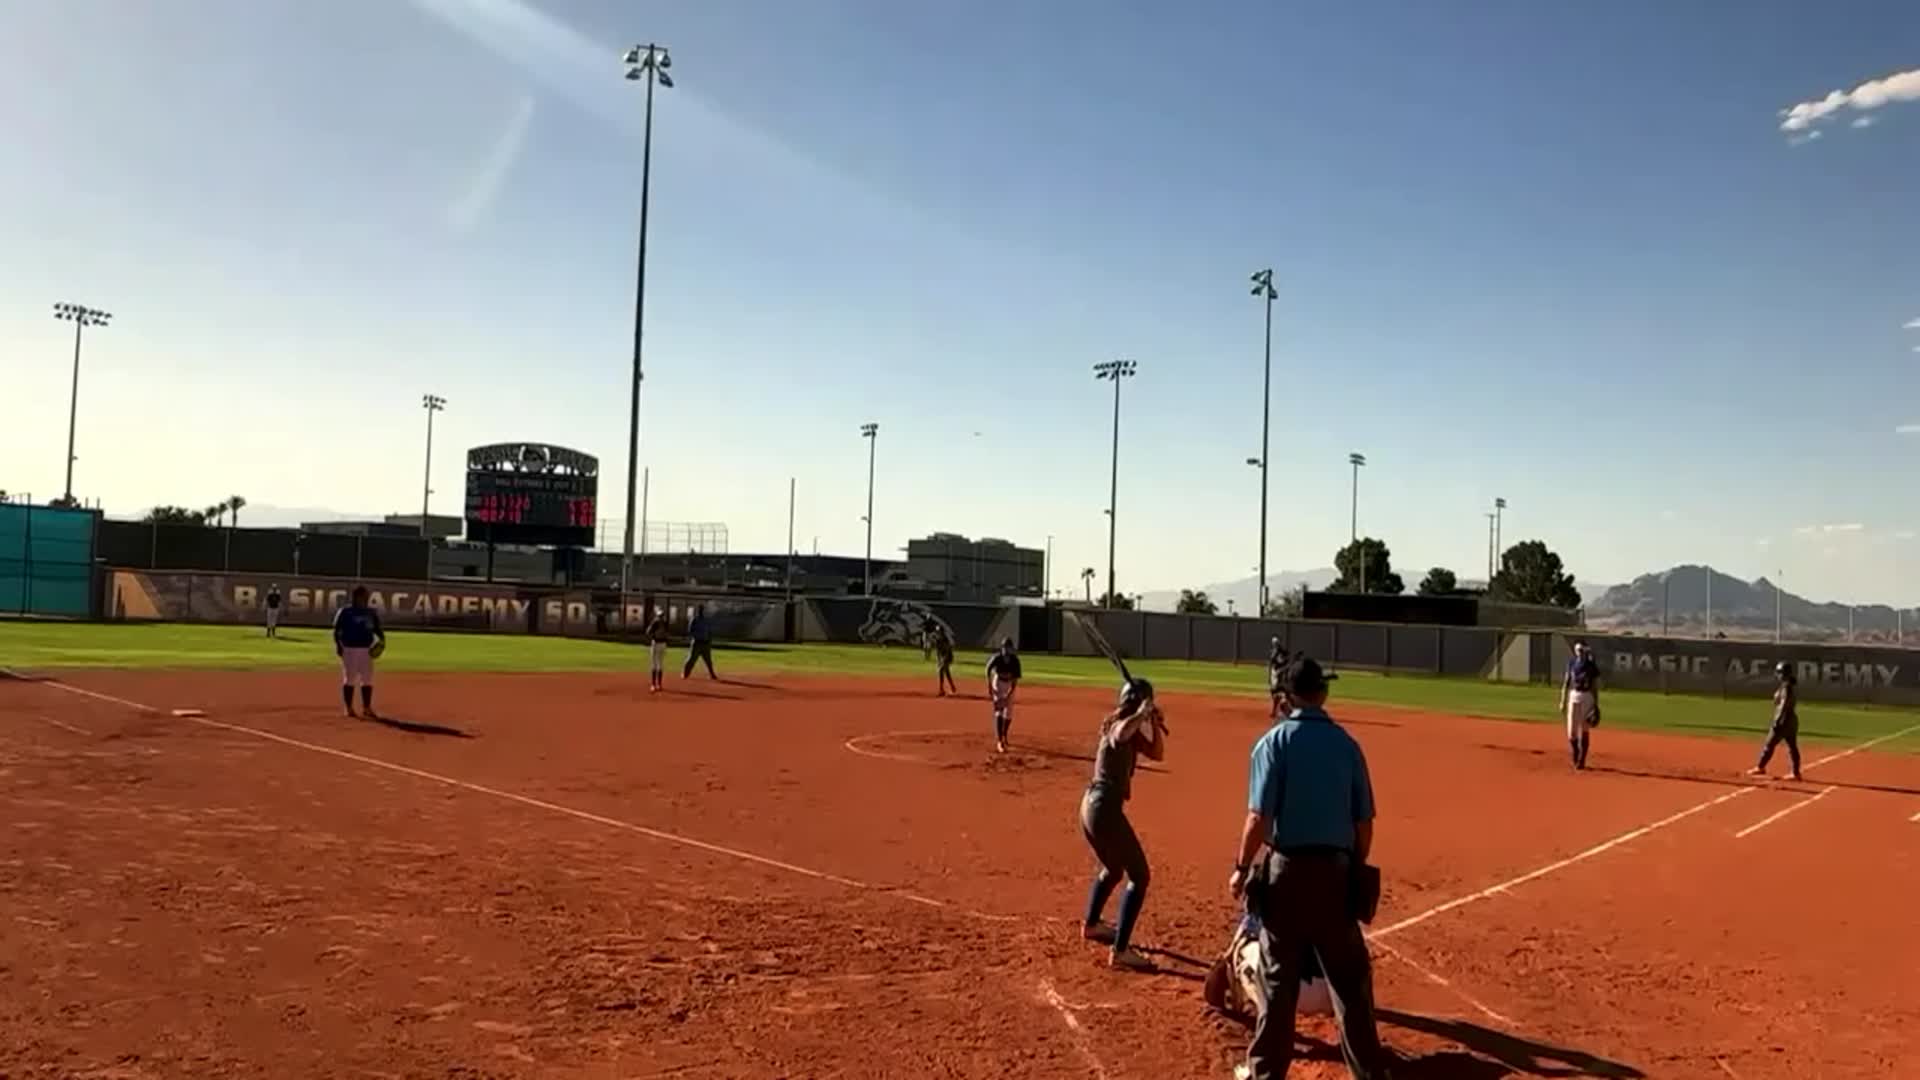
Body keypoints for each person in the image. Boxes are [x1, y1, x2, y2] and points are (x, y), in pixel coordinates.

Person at [1230, 655, 1390, 1080]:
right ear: (1323, 692)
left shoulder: (1272, 744)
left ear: (1286, 699)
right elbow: (1364, 823)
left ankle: (1266, 1074)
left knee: (1278, 981)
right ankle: (1370, 1075)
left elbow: (1257, 819)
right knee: (1351, 984)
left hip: (1286, 871)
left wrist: (1241, 866)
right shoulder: (1347, 745)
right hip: (1336, 873)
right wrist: (1353, 864)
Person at [1079, 678, 1166, 972]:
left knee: (1114, 868)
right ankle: (1121, 952)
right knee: (1139, 876)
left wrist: (1153, 722)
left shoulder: (1132, 729)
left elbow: (1158, 753)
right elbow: (1120, 735)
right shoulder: (1118, 726)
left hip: (1094, 808)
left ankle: (1091, 925)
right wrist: (1142, 715)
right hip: (1103, 808)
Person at [332, 585, 386, 719]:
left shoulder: (370, 612)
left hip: (367, 650)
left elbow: (377, 629)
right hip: (350, 649)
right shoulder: (345, 612)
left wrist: (382, 640)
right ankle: (349, 708)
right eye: (364, 596)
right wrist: (338, 645)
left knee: (367, 679)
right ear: (357, 597)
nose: (367, 598)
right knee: (350, 679)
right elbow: (337, 630)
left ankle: (367, 708)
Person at [1747, 662, 1803, 781]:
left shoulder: (1786, 687)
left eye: (1779, 672)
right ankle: (1796, 773)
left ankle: (1760, 767)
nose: (1777, 675)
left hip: (1784, 720)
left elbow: (1784, 704)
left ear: (1783, 673)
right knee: (1792, 746)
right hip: (1791, 720)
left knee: (1769, 744)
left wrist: (1778, 720)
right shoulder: (1788, 685)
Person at [1560, 641, 1602, 770]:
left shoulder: (1591, 666)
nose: (1580, 652)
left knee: (1584, 728)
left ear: (1586, 651)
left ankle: (1582, 759)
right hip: (1574, 695)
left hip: (1587, 696)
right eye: (1578, 650)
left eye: (1582, 650)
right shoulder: (1572, 663)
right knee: (1571, 732)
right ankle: (1575, 751)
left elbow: (1594, 686)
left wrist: (1596, 704)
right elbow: (1566, 682)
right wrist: (1562, 700)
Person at [986, 638, 1023, 753]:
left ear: (1011, 649)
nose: (1006, 649)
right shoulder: (997, 658)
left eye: (1008, 647)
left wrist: (1009, 693)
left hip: (1009, 684)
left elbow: (1015, 680)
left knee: (1009, 713)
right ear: (1001, 648)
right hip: (998, 682)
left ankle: (1004, 734)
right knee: (999, 710)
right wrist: (990, 687)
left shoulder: (1015, 661)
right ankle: (999, 741)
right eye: (1004, 647)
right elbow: (988, 669)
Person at [682, 605, 717, 680]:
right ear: (698, 611)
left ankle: (712, 674)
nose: (701, 611)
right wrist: (696, 636)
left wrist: (709, 639)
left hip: (705, 643)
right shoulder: (694, 619)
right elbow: (690, 630)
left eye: (702, 610)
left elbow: (709, 631)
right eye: (700, 610)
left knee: (708, 660)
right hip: (697, 642)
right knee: (691, 659)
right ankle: (685, 673)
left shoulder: (706, 620)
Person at [930, 622, 958, 697]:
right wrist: (939, 660)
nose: (938, 633)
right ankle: (952, 687)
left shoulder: (945, 639)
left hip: (948, 656)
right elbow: (937, 652)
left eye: (939, 631)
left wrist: (943, 660)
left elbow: (948, 651)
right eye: (937, 632)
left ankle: (941, 690)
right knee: (946, 672)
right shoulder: (937, 640)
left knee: (941, 671)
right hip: (942, 657)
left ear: (942, 632)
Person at [645, 608, 671, 693]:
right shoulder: (660, 623)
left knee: (658, 664)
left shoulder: (657, 622)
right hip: (659, 643)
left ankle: (656, 684)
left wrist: (652, 636)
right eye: (660, 615)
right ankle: (656, 684)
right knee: (656, 664)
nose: (661, 617)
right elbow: (648, 632)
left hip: (659, 644)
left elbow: (648, 632)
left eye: (661, 615)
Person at [1266, 637, 1291, 719]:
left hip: (1282, 673)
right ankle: (1275, 710)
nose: (1276, 644)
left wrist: (1283, 670)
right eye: (1274, 643)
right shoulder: (1273, 652)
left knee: (1283, 691)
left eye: (1277, 643)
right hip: (1275, 673)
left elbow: (1288, 662)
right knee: (1274, 692)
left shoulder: (1283, 652)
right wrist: (1269, 676)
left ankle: (1284, 710)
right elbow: (1270, 664)